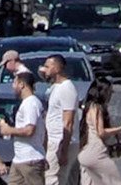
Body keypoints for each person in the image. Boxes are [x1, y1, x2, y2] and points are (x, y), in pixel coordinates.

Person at [78, 76, 121, 185]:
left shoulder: (90, 107)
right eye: (109, 92)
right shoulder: (96, 108)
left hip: (86, 151)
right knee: (115, 181)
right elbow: (101, 132)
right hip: (96, 153)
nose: (110, 95)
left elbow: (111, 131)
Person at [1, 70, 47, 185]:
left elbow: (29, 130)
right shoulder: (27, 103)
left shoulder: (31, 104)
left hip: (30, 160)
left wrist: (9, 130)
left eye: (14, 83)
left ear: (22, 84)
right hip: (19, 159)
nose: (13, 86)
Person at [42, 55, 80, 185]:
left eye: (47, 66)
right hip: (53, 140)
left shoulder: (66, 88)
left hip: (61, 141)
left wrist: (64, 150)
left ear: (57, 68)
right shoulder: (55, 87)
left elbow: (68, 121)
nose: (44, 69)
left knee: (54, 178)